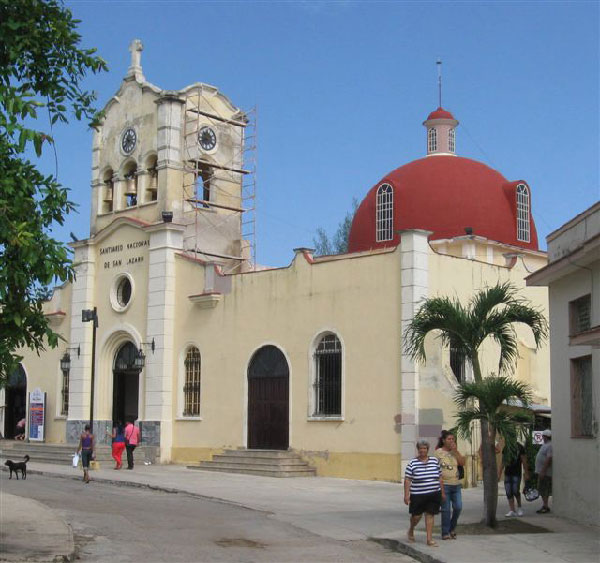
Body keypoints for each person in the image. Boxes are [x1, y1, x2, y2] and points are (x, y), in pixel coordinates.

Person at [404, 439, 445, 548]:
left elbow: (440, 477)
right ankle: (411, 529)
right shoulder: (412, 463)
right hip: (418, 494)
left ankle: (429, 539)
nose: (423, 450)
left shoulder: (434, 461)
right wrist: (406, 495)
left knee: (430, 515)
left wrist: (442, 492)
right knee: (416, 517)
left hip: (433, 493)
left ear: (428, 449)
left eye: (425, 448)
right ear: (418, 450)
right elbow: (408, 479)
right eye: (421, 448)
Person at [434, 430, 465, 540]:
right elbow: (435, 468)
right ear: (443, 440)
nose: (451, 441)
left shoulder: (455, 452)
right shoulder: (438, 452)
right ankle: (445, 532)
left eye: (453, 439)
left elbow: (462, 463)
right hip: (445, 485)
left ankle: (452, 527)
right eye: (449, 439)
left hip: (456, 485)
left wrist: (456, 451)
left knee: (458, 507)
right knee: (446, 510)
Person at [498, 440, 530, 517]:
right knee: (508, 492)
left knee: (515, 491)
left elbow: (524, 461)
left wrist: (526, 473)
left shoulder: (520, 448)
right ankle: (512, 510)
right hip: (508, 473)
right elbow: (503, 461)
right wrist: (499, 474)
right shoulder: (506, 448)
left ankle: (519, 507)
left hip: (516, 473)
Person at [535, 429, 552, 513]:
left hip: (545, 472)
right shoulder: (545, 445)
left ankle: (545, 506)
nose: (542, 437)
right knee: (542, 489)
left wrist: (543, 471)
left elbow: (549, 458)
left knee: (544, 489)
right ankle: (544, 505)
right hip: (541, 471)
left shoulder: (549, 446)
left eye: (543, 436)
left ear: (546, 437)